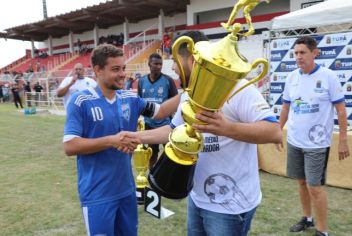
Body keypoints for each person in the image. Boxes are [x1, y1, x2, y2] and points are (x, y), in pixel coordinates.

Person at [132, 31, 282, 236]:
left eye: (175, 61)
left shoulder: (237, 88)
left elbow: (274, 132)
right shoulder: (190, 93)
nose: (174, 68)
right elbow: (172, 130)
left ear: (191, 57)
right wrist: (137, 137)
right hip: (197, 196)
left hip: (229, 205)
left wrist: (226, 128)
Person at [63, 44, 164, 236]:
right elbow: (69, 146)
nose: (122, 74)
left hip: (126, 191)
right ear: (98, 70)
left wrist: (188, 94)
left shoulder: (130, 98)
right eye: (116, 69)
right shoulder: (80, 101)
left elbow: (162, 112)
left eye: (123, 68)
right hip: (97, 195)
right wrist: (112, 140)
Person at [277, 36, 350, 236]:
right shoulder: (291, 77)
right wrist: (277, 131)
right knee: (301, 182)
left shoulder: (328, 77)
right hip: (294, 140)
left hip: (317, 144)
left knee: (314, 187)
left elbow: (341, 111)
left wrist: (343, 140)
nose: (299, 57)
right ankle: (307, 219)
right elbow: (285, 108)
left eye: (303, 52)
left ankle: (322, 230)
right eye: (296, 53)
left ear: (315, 53)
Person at [137, 53, 178, 169]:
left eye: (160, 64)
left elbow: (175, 101)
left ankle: (168, 176)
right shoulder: (142, 81)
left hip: (166, 125)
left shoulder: (168, 80)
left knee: (170, 153)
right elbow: (139, 102)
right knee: (151, 153)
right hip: (149, 124)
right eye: (155, 64)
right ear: (149, 64)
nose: (158, 66)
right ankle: (152, 174)